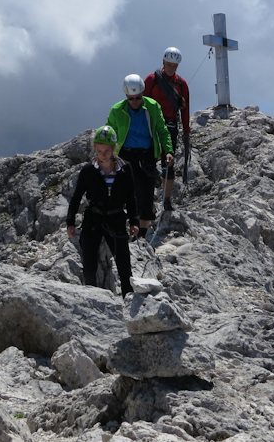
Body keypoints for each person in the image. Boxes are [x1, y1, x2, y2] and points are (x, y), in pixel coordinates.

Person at [66, 125, 140, 296]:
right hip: (93, 219)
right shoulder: (88, 170)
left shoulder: (125, 168)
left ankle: (128, 299)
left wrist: (134, 221)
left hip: (116, 218)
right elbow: (76, 197)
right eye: (99, 150)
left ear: (114, 148)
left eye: (106, 150)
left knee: (124, 265)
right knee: (89, 265)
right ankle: (92, 299)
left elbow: (131, 197)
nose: (102, 154)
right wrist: (70, 222)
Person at [106, 74, 173, 237]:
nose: (135, 101)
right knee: (131, 192)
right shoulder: (117, 110)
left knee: (147, 194)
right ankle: (130, 228)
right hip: (126, 156)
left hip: (147, 156)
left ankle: (142, 234)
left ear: (142, 94)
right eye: (131, 98)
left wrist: (168, 151)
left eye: (138, 98)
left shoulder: (152, 107)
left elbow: (162, 130)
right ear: (126, 97)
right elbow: (110, 132)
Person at [144, 46, 190, 211]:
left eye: (174, 65)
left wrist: (186, 130)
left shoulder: (181, 84)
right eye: (169, 64)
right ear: (163, 62)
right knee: (148, 161)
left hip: (170, 125)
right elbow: (142, 102)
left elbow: (185, 108)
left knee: (168, 163)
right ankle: (148, 197)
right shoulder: (152, 79)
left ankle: (167, 200)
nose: (171, 68)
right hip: (151, 125)